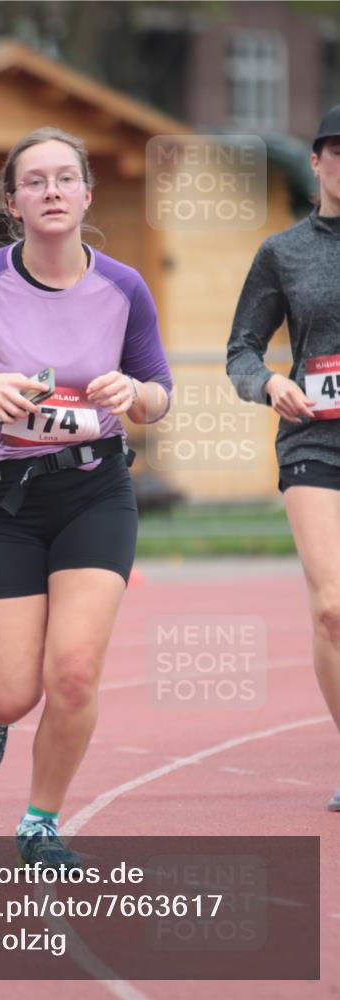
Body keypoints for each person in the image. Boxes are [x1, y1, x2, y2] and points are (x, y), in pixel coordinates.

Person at [0, 126, 172, 867]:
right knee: (10, 693)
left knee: (72, 671)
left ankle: (38, 820)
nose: (51, 191)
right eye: (35, 182)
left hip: (94, 490)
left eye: (65, 178)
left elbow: (158, 395)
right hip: (0, 501)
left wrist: (135, 394)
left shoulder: (122, 286)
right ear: (12, 203)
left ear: (86, 194)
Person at [227, 105, 340, 811]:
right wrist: (268, 383)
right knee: (331, 607)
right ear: (317, 162)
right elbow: (241, 346)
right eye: (339, 152)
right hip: (313, 441)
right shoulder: (283, 251)